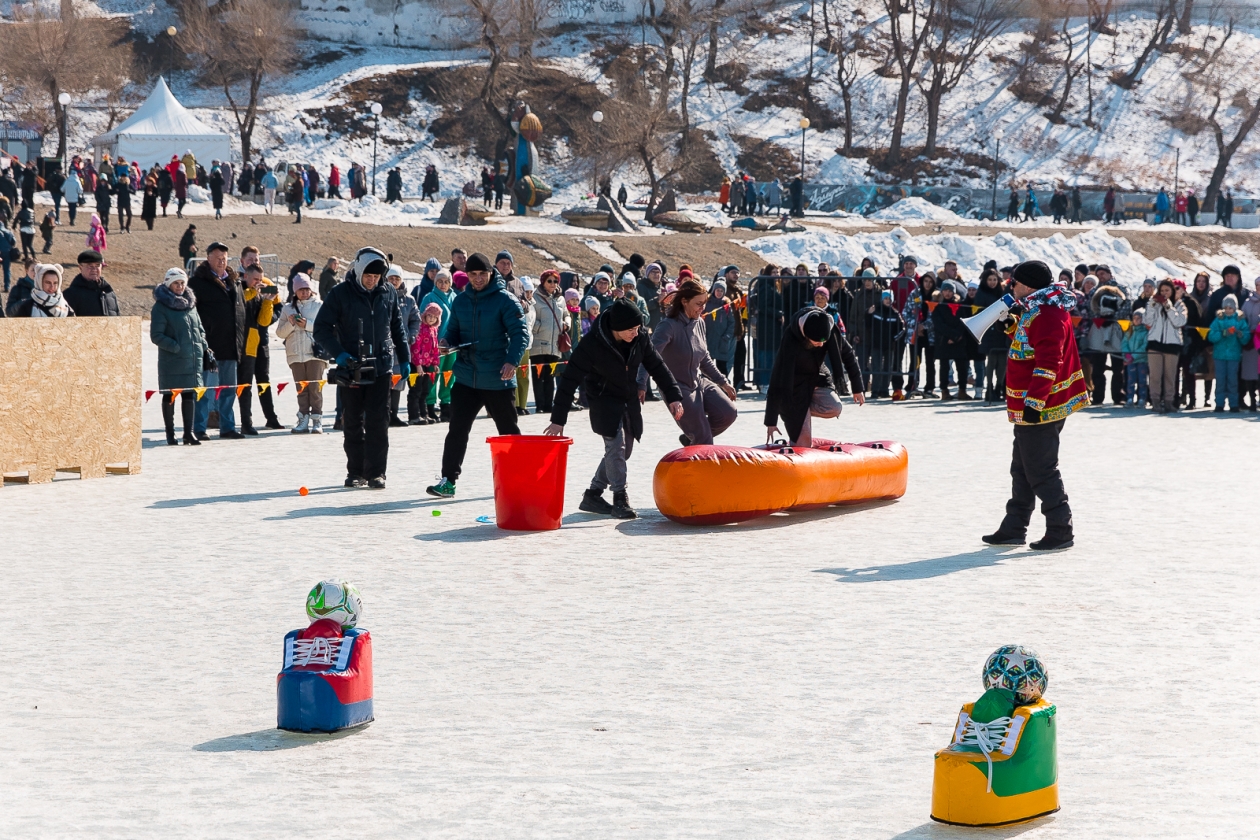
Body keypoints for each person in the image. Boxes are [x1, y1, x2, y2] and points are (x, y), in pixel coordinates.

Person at [545, 298, 684, 519]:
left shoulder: (640, 339)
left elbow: (658, 366)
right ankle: (620, 497)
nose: (635, 333)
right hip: (603, 400)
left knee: (622, 451)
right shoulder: (592, 343)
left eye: (638, 328)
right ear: (616, 328)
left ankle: (593, 493)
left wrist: (674, 397)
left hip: (628, 399)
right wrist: (558, 419)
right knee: (616, 447)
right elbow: (569, 381)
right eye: (630, 329)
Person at [983, 261, 1086, 551]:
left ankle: (1060, 529)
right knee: (1022, 468)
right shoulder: (1037, 308)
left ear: (1027, 285)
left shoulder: (1049, 313)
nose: (1010, 287)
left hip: (1040, 406)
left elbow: (1049, 361)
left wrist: (1035, 402)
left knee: (1041, 469)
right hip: (1032, 404)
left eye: (1013, 282)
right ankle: (1015, 526)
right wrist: (1010, 327)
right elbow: (1028, 345)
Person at [426, 252, 529, 499]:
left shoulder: (506, 301)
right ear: (467, 276)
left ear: (491, 273)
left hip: (498, 378)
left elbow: (520, 334)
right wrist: (446, 341)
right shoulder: (461, 301)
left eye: (482, 274)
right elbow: (453, 331)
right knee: (457, 430)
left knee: (507, 432)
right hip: (466, 377)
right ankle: (448, 480)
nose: (478, 278)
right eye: (473, 274)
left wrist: (511, 362)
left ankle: (518, 479)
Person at [313, 247, 409, 488]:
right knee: (353, 421)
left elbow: (397, 327)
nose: (372, 281)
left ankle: (377, 472)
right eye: (368, 276)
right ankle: (356, 472)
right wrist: (340, 354)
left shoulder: (388, 292)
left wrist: (405, 358)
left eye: (377, 277)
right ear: (358, 271)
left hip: (382, 366)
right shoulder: (340, 293)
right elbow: (321, 328)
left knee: (379, 422)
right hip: (352, 367)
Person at [643, 278, 738, 447]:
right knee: (704, 438)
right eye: (699, 304)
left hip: (698, 381)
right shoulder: (668, 326)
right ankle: (700, 450)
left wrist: (723, 382)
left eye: (705, 303)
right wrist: (640, 384)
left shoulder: (700, 322)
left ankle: (692, 440)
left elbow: (704, 358)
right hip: (677, 387)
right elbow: (649, 356)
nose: (703, 308)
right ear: (684, 301)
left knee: (728, 413)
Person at [765, 306, 864, 448]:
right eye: (817, 341)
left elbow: (848, 356)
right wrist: (771, 421)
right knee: (803, 444)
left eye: (824, 341)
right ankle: (796, 412)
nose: (822, 345)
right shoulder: (790, 339)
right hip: (793, 389)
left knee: (834, 407)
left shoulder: (827, 327)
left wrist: (857, 387)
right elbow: (777, 378)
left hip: (818, 379)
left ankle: (802, 411)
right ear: (806, 335)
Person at [190, 242, 246, 440]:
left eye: (224, 258)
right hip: (209, 347)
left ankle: (227, 427)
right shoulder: (197, 282)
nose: (222, 261)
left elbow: (240, 313)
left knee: (229, 390)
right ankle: (199, 428)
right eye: (217, 258)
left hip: (231, 346)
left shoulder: (235, 282)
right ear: (208, 259)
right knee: (206, 391)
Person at [150, 267, 207, 445]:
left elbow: (199, 330)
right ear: (169, 284)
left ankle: (188, 433)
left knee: (189, 396)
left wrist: (205, 349)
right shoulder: (161, 307)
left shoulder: (190, 305)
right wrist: (176, 347)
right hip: (172, 361)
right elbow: (156, 335)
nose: (180, 286)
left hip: (191, 360)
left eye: (182, 283)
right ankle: (170, 433)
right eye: (176, 283)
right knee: (170, 396)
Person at [237, 264, 284, 433]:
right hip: (245, 343)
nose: (259, 283)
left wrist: (268, 301)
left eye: (261, 279)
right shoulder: (240, 288)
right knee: (245, 384)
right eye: (256, 279)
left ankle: (271, 418)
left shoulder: (259, 294)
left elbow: (264, 321)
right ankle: (246, 422)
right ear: (246, 277)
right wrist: (254, 292)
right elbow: (239, 301)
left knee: (264, 381)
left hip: (259, 341)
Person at [276, 272, 326, 434]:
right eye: (301, 289)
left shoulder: (319, 305)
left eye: (307, 289)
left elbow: (327, 328)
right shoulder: (287, 308)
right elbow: (279, 333)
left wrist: (307, 324)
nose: (304, 292)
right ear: (295, 291)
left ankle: (317, 420)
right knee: (301, 389)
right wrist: (291, 324)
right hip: (295, 355)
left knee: (315, 388)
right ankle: (303, 418)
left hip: (314, 354)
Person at [1143, 279, 1186, 414]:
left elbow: (1179, 321)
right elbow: (1147, 321)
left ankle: (1169, 402)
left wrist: (1168, 306)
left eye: (1167, 291)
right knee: (1155, 376)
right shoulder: (1154, 304)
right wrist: (1151, 305)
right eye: (1162, 291)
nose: (1164, 293)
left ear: (1172, 291)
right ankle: (1155, 401)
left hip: (1172, 345)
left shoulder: (1180, 305)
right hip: (1155, 343)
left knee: (1170, 376)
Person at [386, 264, 421, 426]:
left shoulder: (408, 300)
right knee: (385, 381)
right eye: (391, 278)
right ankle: (383, 415)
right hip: (385, 347)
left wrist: (411, 335)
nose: (394, 281)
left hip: (401, 347)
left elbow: (416, 319)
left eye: (396, 279)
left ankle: (393, 414)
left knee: (398, 382)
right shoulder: (382, 297)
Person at [420, 269, 457, 422]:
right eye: (440, 281)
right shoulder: (429, 297)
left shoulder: (455, 297)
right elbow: (422, 319)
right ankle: (430, 405)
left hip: (452, 345)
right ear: (435, 283)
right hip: (433, 345)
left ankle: (446, 405)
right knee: (433, 375)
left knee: (449, 374)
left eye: (446, 281)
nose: (443, 285)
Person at [531, 269, 569, 415]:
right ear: (543, 282)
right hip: (539, 343)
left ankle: (548, 405)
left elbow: (566, 314)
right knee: (538, 376)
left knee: (550, 376)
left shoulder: (560, 298)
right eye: (549, 281)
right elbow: (529, 316)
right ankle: (540, 405)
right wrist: (539, 327)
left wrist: (567, 323)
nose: (553, 284)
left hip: (555, 343)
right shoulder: (535, 297)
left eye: (555, 281)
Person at [932, 281, 974, 400]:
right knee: (944, 367)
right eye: (945, 290)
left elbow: (963, 322)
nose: (947, 293)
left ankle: (962, 390)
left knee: (962, 366)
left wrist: (956, 336)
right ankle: (944, 391)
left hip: (959, 340)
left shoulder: (960, 307)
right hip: (944, 340)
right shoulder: (938, 307)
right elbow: (939, 325)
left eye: (950, 291)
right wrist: (950, 336)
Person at [1208, 294, 1248, 412]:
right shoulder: (1218, 319)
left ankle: (1233, 403)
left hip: (1234, 355)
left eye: (1230, 308)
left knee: (1232, 380)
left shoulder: (1240, 320)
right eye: (1226, 308)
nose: (1228, 310)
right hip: (1219, 355)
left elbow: (1246, 336)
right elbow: (1211, 335)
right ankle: (1219, 403)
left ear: (1235, 308)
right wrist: (1223, 333)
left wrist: (1241, 335)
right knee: (1220, 380)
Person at [867, 289, 906, 399]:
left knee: (888, 368)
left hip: (890, 346)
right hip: (876, 344)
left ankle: (884, 390)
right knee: (876, 367)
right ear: (882, 299)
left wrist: (894, 338)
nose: (888, 301)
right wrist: (868, 313)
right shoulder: (876, 310)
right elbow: (867, 323)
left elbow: (902, 329)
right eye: (886, 298)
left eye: (889, 299)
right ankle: (875, 390)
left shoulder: (894, 313)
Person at [61, 250, 120, 317]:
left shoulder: (108, 291)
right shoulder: (70, 294)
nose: (94, 269)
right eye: (90, 266)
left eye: (97, 265)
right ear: (80, 268)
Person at [704, 279, 736, 376]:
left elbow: (731, 323)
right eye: (717, 290)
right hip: (708, 339)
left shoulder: (726, 305)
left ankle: (723, 389)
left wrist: (727, 336)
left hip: (721, 341)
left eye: (721, 291)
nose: (719, 293)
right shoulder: (706, 303)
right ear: (714, 290)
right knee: (707, 368)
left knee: (722, 369)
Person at [1121, 310, 1149, 407]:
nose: (1136, 320)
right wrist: (1127, 355)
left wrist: (1134, 356)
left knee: (1142, 380)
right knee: (1130, 380)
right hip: (1130, 361)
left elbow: (1145, 346)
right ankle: (1129, 398)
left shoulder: (1145, 332)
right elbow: (1124, 343)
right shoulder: (1129, 331)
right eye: (1134, 318)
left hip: (1141, 360)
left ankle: (1142, 398)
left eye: (1139, 318)